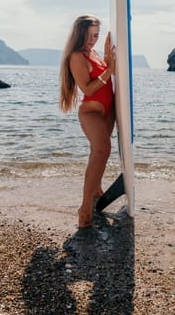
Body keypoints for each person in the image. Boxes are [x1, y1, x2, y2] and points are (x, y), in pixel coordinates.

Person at [59, 14, 116, 228]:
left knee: (98, 153)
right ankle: (84, 208)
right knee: (102, 150)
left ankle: (97, 191)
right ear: (80, 34)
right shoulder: (77, 56)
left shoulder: (94, 53)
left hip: (107, 112)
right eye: (89, 35)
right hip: (91, 112)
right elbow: (88, 88)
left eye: (96, 35)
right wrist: (110, 69)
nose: (93, 40)